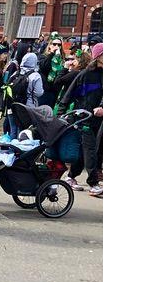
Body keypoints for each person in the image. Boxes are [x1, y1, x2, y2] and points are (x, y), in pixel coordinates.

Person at [60, 42, 103, 195]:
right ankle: (93, 183)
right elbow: (69, 95)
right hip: (84, 118)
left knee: (87, 151)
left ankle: (71, 177)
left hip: (98, 120)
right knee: (90, 149)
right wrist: (61, 114)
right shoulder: (85, 74)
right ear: (98, 57)